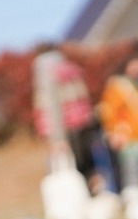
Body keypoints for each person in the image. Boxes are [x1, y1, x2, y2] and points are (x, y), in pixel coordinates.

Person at [32, 43, 99, 183]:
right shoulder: (70, 68)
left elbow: (53, 106)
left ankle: (84, 198)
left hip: (65, 126)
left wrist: (58, 138)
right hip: (84, 122)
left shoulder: (45, 71)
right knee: (87, 163)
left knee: (73, 166)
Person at [98, 54, 138, 193]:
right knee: (132, 170)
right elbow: (108, 111)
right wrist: (113, 133)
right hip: (128, 136)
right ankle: (134, 198)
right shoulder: (118, 86)